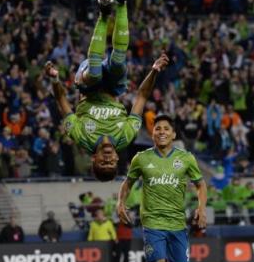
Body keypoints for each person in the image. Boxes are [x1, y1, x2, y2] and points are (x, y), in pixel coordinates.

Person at [116, 114, 207, 262]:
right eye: (158, 128)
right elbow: (127, 184)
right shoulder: (141, 158)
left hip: (177, 223)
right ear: (152, 133)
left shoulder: (186, 159)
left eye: (166, 128)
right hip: (152, 222)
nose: (162, 132)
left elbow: (201, 185)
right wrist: (121, 203)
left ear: (174, 134)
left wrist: (201, 208)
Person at [46, 48, 169, 181]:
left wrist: (54, 79)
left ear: (94, 159)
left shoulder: (81, 137)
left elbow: (61, 99)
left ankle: (97, 59)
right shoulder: (126, 135)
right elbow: (142, 96)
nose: (108, 158)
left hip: (87, 85)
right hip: (113, 86)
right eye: (111, 163)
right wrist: (154, 70)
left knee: (95, 75)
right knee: (119, 66)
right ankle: (117, 46)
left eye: (103, 163)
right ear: (117, 158)